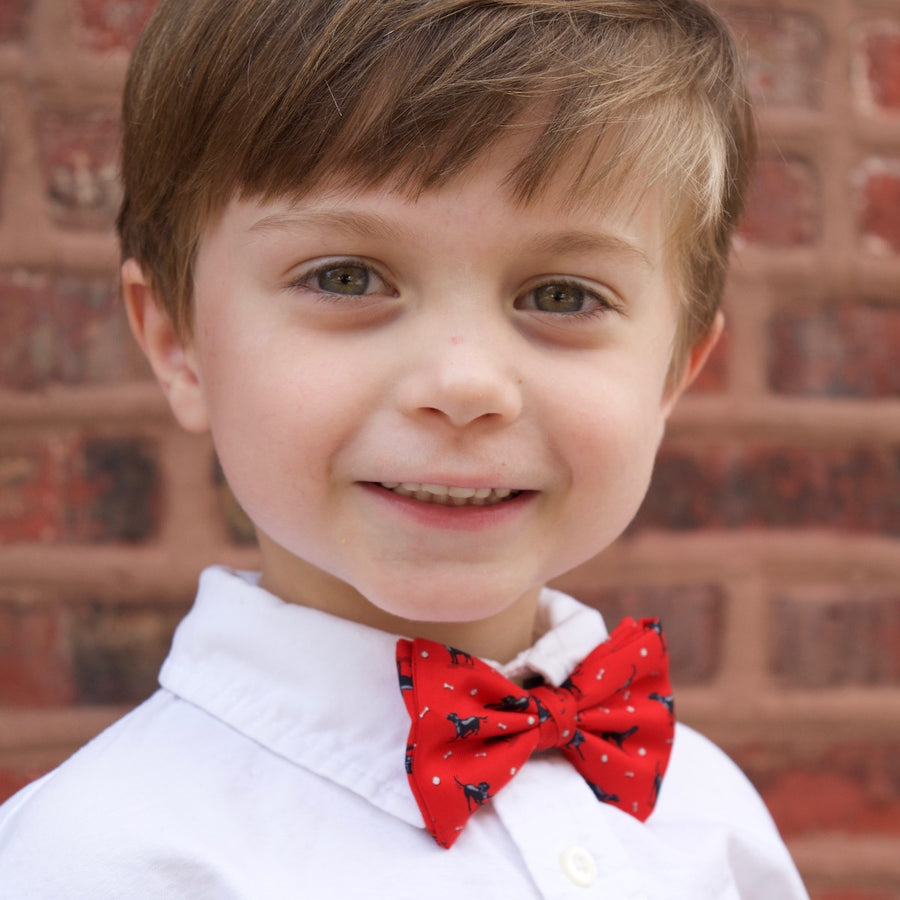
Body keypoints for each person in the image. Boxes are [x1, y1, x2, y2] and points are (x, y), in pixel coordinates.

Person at [0, 0, 809, 896]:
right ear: (178, 345)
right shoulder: (103, 860)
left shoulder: (708, 813)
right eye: (346, 278)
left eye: (563, 296)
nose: (463, 386)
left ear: (671, 375)